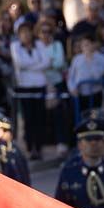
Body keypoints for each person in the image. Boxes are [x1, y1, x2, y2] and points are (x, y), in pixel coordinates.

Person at [11, 21, 50, 160]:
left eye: (28, 32)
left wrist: (30, 67)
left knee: (39, 118)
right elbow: (20, 63)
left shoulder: (39, 45)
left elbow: (46, 62)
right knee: (28, 119)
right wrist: (36, 65)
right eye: (23, 33)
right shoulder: (15, 46)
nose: (26, 35)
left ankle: (39, 148)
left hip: (39, 86)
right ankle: (29, 147)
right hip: (24, 87)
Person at [38, 20, 69, 154]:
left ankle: (61, 142)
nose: (46, 35)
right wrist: (47, 63)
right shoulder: (36, 46)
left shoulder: (57, 45)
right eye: (43, 32)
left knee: (59, 113)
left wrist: (45, 64)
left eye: (49, 32)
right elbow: (36, 64)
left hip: (56, 83)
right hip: (40, 83)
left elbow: (59, 63)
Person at [67, 32, 104, 113]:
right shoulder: (77, 59)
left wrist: (90, 59)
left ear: (93, 44)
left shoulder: (101, 58)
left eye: (87, 44)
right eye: (83, 45)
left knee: (94, 119)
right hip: (80, 95)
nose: (85, 47)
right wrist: (72, 88)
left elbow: (97, 76)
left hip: (96, 94)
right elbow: (71, 76)